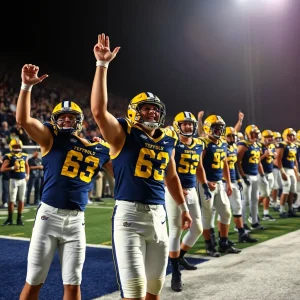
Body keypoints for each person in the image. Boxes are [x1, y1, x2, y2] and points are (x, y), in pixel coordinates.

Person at [91, 33, 192, 300]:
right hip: (129, 217)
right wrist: (102, 65)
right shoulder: (122, 132)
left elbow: (171, 177)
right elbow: (99, 111)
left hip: (159, 216)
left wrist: (182, 207)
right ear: (135, 110)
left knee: (154, 290)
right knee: (133, 291)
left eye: (156, 110)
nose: (153, 113)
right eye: (147, 108)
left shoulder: (168, 138)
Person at [17, 64, 112, 300]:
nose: (67, 120)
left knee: (73, 284)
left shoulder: (97, 149)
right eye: (63, 116)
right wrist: (26, 86)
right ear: (55, 120)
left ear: (80, 121)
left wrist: (110, 146)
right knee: (34, 281)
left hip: (76, 221)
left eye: (72, 117)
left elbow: (124, 171)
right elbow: (24, 120)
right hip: (48, 217)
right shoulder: (50, 138)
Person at [166, 111, 210, 292]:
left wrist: (205, 185)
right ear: (177, 126)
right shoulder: (173, 142)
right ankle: (175, 272)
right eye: (184, 124)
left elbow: (199, 167)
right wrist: (175, 188)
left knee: (198, 228)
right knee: (176, 230)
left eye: (190, 124)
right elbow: (166, 168)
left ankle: (179, 256)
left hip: (191, 190)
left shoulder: (198, 143)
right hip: (174, 191)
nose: (188, 127)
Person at [199, 115, 241, 257]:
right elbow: (198, 166)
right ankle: (210, 246)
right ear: (207, 128)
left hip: (219, 183)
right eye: (215, 127)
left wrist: (228, 182)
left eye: (220, 128)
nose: (219, 130)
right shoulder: (203, 143)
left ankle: (223, 242)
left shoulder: (222, 143)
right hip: (206, 183)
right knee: (208, 215)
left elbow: (224, 164)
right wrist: (204, 182)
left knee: (226, 212)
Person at [237, 125, 268, 230]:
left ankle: (254, 222)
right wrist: (243, 176)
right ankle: (241, 224)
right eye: (252, 133)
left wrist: (262, 175)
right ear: (247, 134)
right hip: (246, 175)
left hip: (255, 175)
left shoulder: (257, 145)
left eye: (256, 133)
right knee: (245, 201)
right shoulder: (243, 145)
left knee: (254, 200)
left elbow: (258, 162)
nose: (254, 135)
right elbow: (237, 162)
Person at [1, 138, 29, 226]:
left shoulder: (24, 155)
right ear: (11, 146)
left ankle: (19, 219)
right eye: (15, 146)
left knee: (21, 200)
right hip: (13, 180)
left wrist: (28, 175)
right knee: (12, 200)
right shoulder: (9, 156)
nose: (16, 148)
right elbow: (2, 169)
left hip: (22, 180)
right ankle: (9, 219)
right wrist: (12, 168)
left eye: (18, 146)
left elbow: (27, 166)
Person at [275, 128, 299, 218]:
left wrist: (297, 172)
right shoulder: (282, 145)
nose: (291, 137)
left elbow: (294, 160)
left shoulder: (294, 145)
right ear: (285, 136)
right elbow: (278, 159)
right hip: (284, 169)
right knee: (286, 190)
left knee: (292, 190)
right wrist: (282, 172)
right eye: (289, 135)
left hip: (291, 169)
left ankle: (290, 209)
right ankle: (281, 210)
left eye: (292, 135)